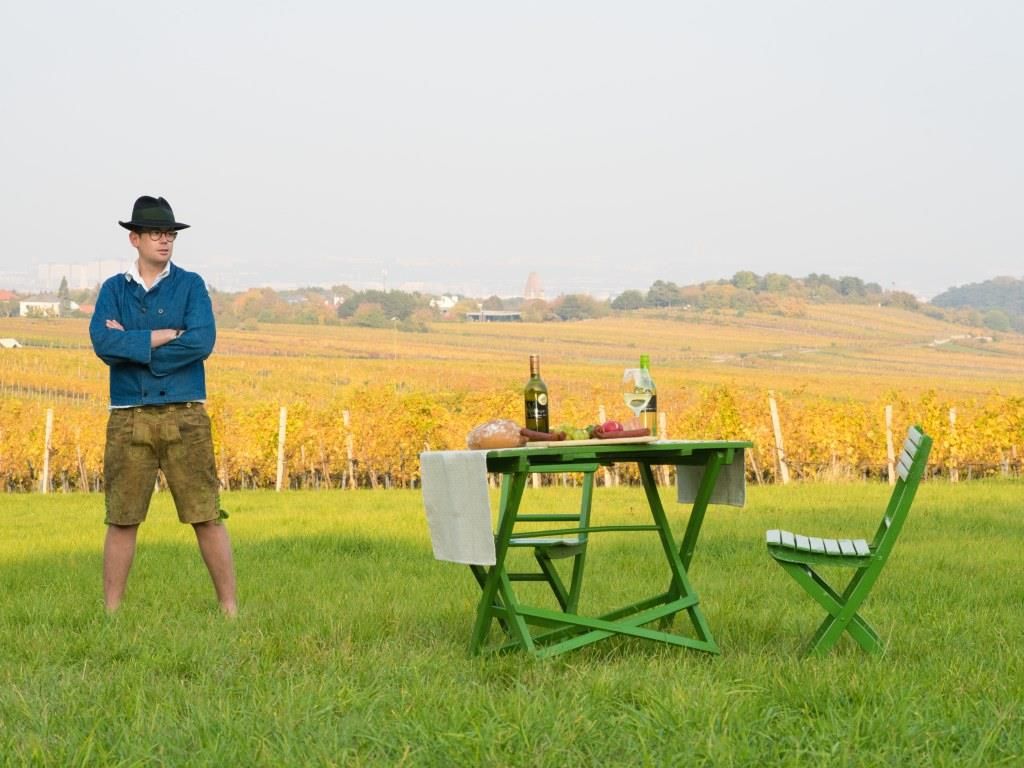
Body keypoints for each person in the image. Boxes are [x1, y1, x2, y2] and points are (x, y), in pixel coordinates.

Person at [89, 195, 237, 616]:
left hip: (185, 414)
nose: (165, 240)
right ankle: (111, 615)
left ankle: (229, 611)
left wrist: (133, 346)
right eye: (155, 233)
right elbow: (103, 342)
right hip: (127, 416)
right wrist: (161, 336)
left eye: (170, 234)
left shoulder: (191, 285)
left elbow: (201, 342)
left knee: (206, 514)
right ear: (134, 239)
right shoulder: (113, 289)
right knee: (121, 517)